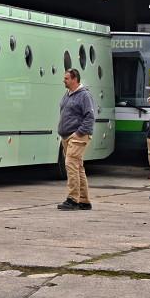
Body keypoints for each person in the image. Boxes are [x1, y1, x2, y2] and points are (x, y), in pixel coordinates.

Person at [57, 68, 96, 211]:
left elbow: (90, 117)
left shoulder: (84, 95)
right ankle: (84, 201)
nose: (64, 80)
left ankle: (72, 199)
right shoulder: (67, 94)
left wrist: (79, 133)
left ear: (75, 79)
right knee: (78, 167)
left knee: (70, 164)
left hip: (77, 136)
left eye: (66, 78)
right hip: (66, 136)